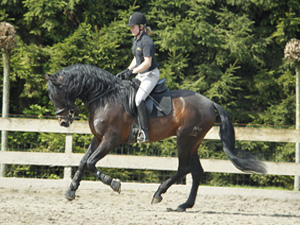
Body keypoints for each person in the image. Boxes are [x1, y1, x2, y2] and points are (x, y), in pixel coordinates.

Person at [117, 12, 160, 143]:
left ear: (141, 27)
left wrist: (133, 72)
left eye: (133, 27)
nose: (131, 29)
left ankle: (145, 132)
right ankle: (133, 127)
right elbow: (136, 59)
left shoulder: (147, 41)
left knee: (139, 99)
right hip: (142, 74)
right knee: (128, 94)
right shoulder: (136, 40)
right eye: (131, 27)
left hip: (151, 75)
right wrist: (127, 70)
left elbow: (147, 62)